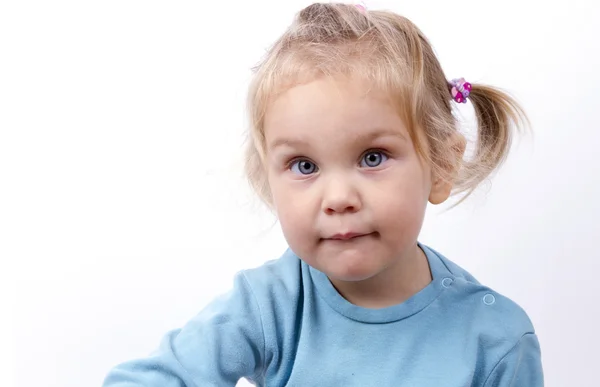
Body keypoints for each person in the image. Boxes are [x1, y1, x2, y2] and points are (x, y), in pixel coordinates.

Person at [101, 3, 543, 386]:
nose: (338, 198)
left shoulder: (494, 340)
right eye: (305, 166)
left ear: (442, 165)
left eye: (373, 157)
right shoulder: (268, 304)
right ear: (268, 181)